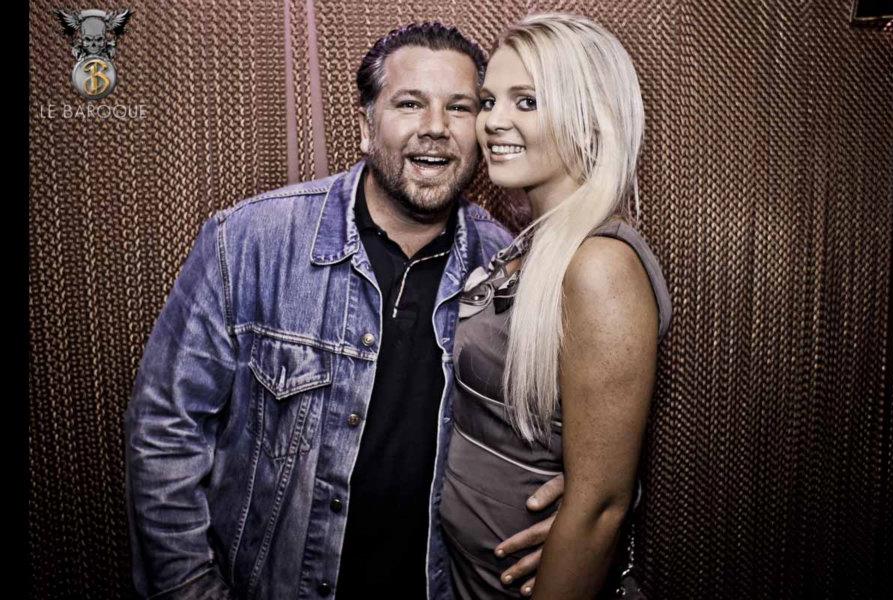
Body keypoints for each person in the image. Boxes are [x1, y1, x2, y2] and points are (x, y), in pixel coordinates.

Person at [125, 22, 563, 600]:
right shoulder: (251, 241)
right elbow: (164, 431)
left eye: (459, 107)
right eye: (410, 103)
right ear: (365, 126)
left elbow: (562, 426)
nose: (436, 127)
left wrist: (573, 506)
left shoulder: (509, 268)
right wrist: (189, 588)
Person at [438, 13, 673, 599]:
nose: (493, 121)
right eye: (489, 100)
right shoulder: (529, 246)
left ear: (589, 120)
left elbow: (600, 507)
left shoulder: (600, 265)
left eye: (527, 101)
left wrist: (583, 517)